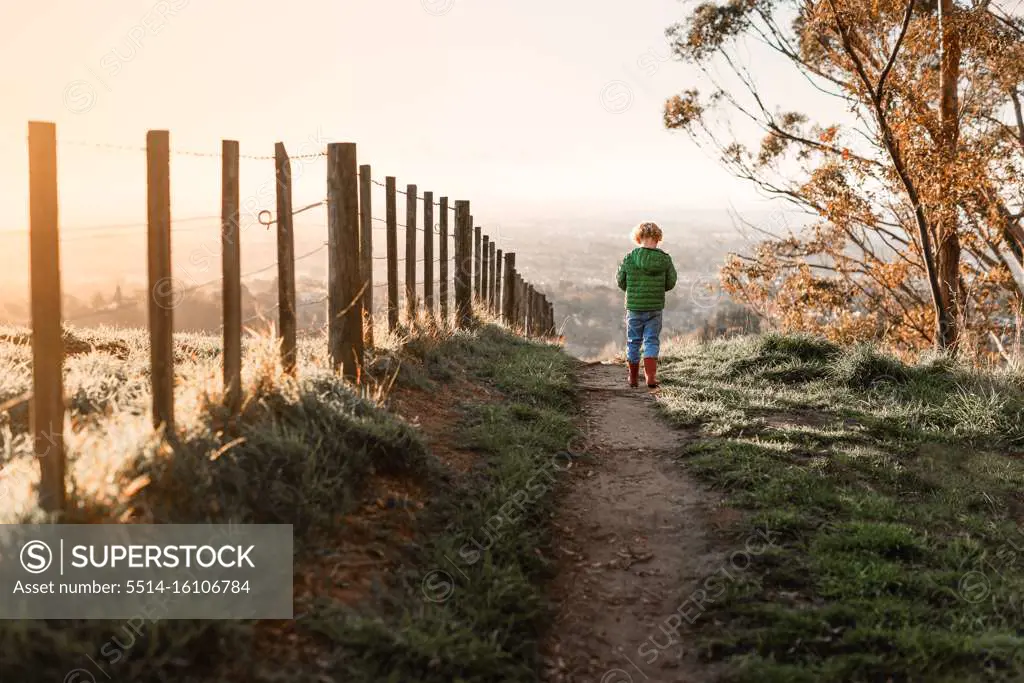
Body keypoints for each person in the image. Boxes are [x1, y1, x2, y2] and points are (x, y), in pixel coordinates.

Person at [616, 222, 677, 388]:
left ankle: (633, 378)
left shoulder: (629, 258)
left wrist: (633, 290)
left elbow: (621, 281)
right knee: (651, 340)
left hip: (634, 308)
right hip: (655, 307)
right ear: (658, 239)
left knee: (633, 341)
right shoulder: (664, 259)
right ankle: (650, 377)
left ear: (638, 238)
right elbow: (671, 282)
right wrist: (658, 288)